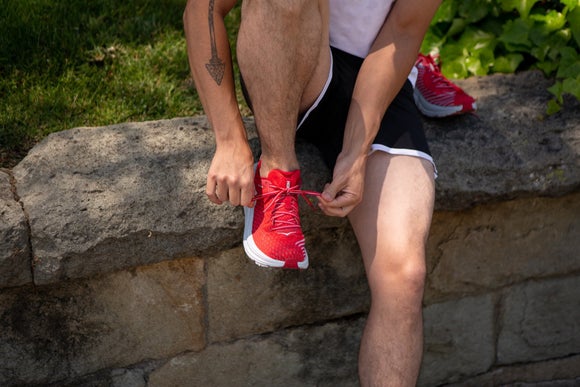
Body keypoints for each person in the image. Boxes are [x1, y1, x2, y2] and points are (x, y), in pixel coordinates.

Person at [184, 0, 440, 385]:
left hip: (379, 77)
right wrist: (229, 138)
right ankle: (276, 172)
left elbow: (403, 31)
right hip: (290, 62)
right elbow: (201, 10)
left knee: (404, 276)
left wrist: (356, 150)